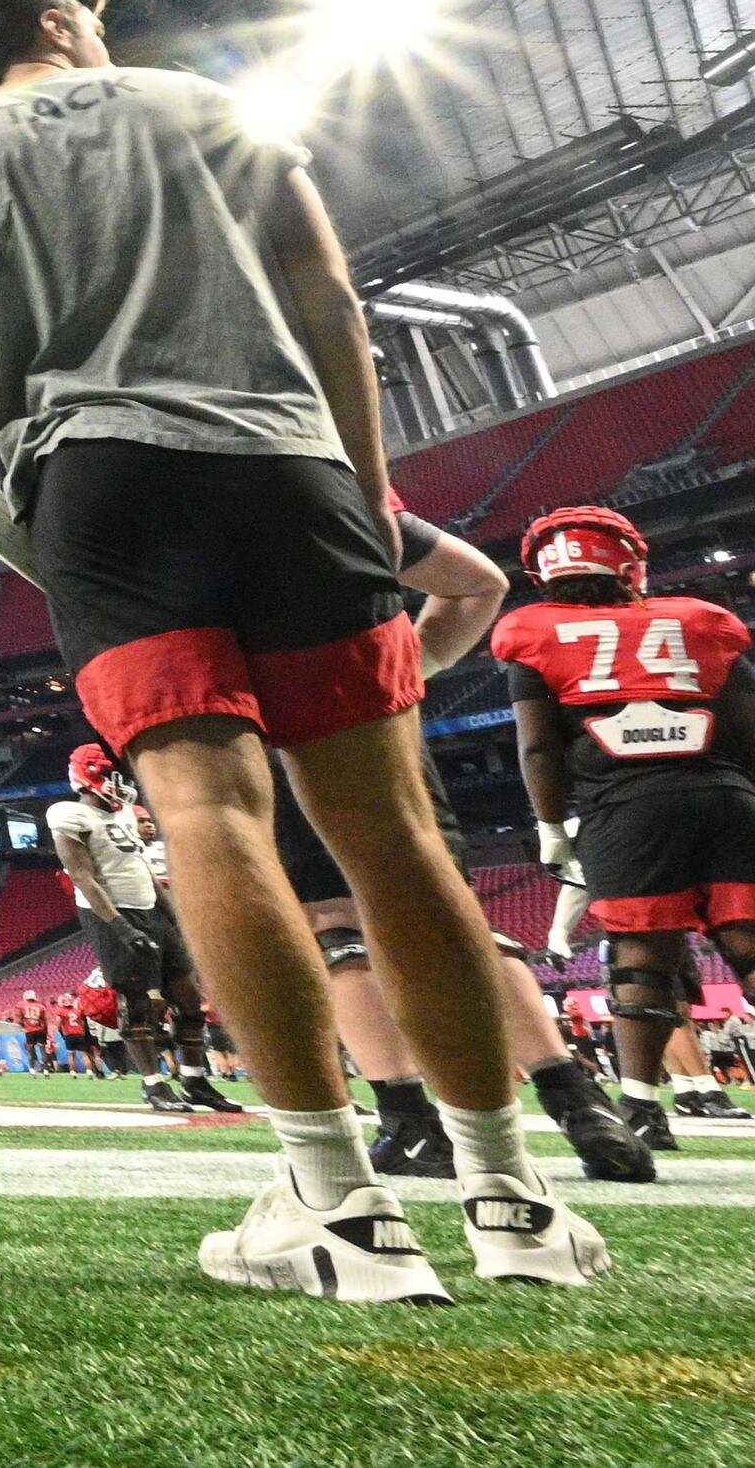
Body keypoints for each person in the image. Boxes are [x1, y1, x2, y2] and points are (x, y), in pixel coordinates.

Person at [0, 0, 599, 1297]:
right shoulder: (203, 103)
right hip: (287, 465)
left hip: (99, 483)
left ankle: (341, 1205)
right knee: (392, 830)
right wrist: (363, 489)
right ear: (65, 22)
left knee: (208, 812)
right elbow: (329, 295)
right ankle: (510, 1199)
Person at [281, 506, 653, 1183]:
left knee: (334, 922)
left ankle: (409, 1119)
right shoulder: (330, 483)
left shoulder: (177, 484)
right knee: (454, 917)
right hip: (379, 716)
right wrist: (408, 668)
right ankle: (575, 1097)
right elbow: (479, 582)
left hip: (280, 715)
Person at [497, 504, 755, 1159]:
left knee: (640, 965)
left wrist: (551, 825)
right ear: (628, 562)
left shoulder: (531, 633)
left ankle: (642, 1109)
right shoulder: (699, 622)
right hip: (726, 798)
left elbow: (539, 750)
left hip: (625, 809)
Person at [49, 743, 239, 1115]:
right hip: (113, 915)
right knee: (137, 1007)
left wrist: (174, 920)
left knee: (188, 1003)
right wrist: (120, 928)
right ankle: (153, 1085)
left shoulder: (124, 815)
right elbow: (83, 878)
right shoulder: (70, 816)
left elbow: (145, 872)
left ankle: (195, 1080)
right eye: (109, 776)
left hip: (150, 910)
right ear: (89, 778)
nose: (118, 784)